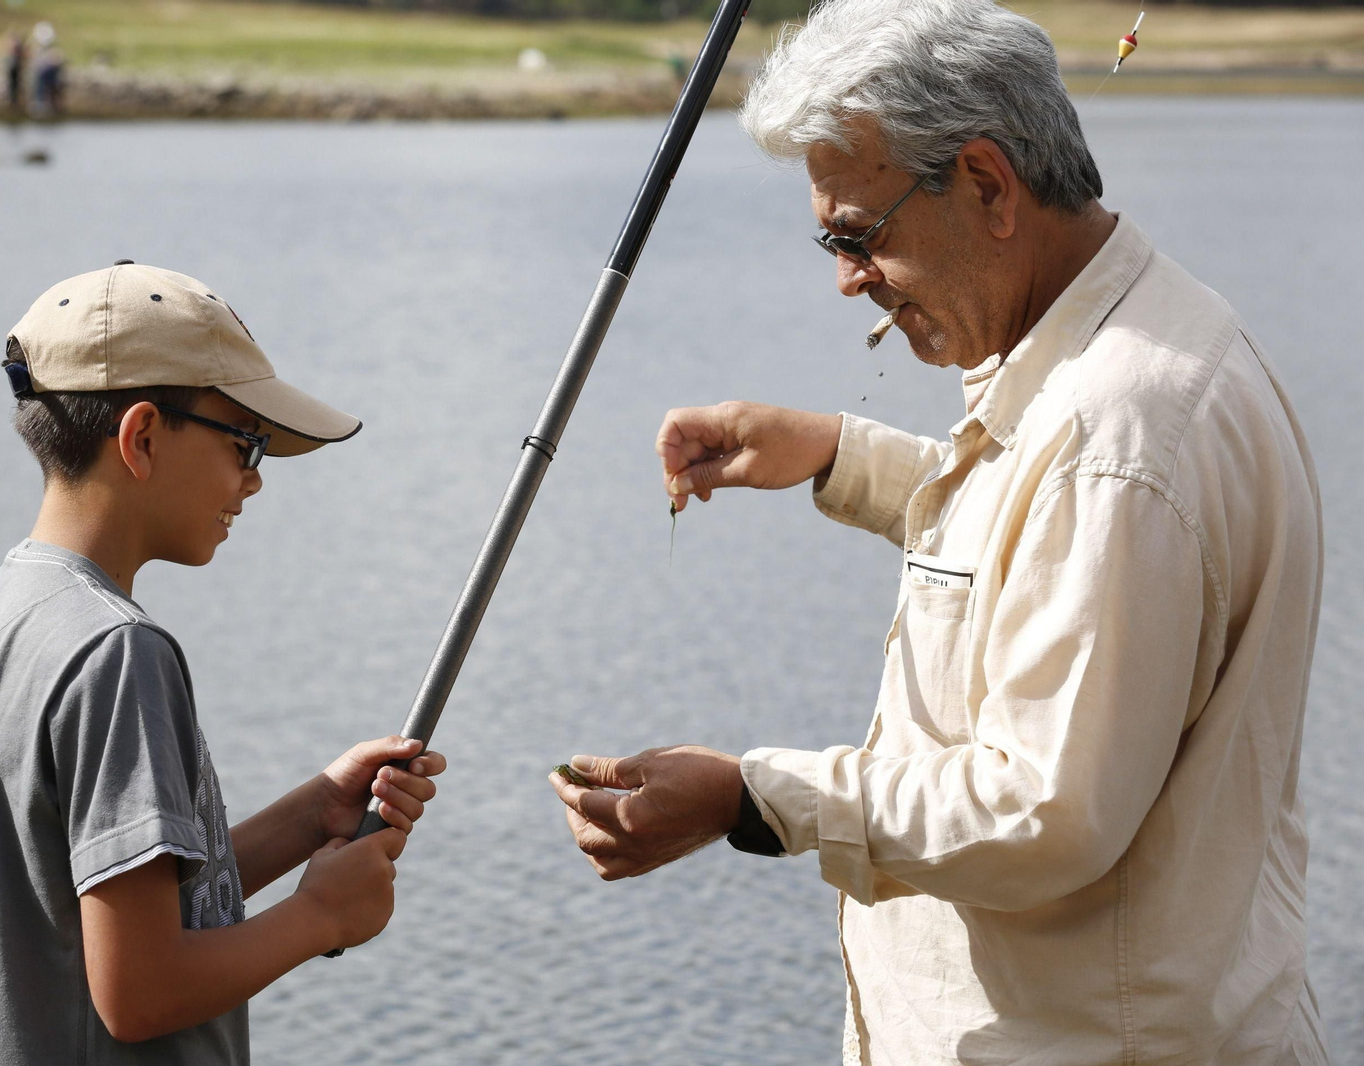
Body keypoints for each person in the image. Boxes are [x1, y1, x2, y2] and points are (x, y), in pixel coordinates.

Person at [549, 1, 1328, 1063]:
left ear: (987, 185)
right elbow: (1048, 541)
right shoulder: (1139, 338)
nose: (845, 278)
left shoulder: (1115, 435)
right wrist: (840, 455)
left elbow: (1042, 811)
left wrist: (752, 798)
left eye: (857, 235)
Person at [0, 261, 445, 1063]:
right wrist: (321, 916)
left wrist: (315, 813)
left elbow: (112, 905)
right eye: (245, 443)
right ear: (142, 437)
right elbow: (141, 994)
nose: (254, 480)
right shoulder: (119, 653)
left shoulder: (9, 609)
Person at [0, 29, 25, 111]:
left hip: (15, 68)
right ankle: (11, 100)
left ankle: (13, 100)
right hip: (13, 68)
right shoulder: (15, 46)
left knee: (14, 84)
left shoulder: (15, 45)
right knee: (12, 84)